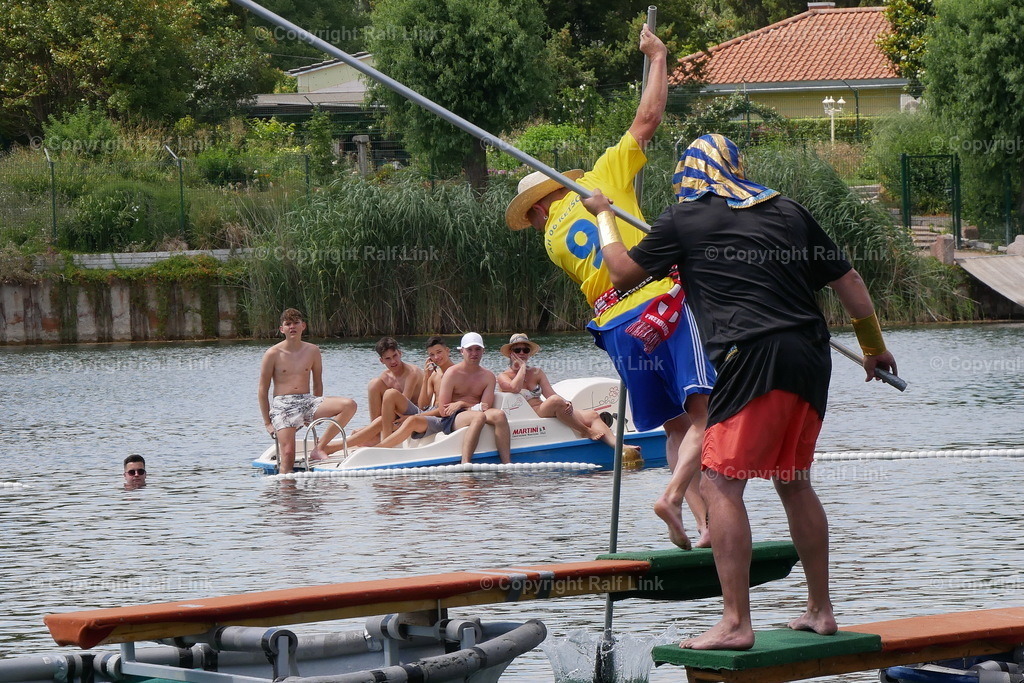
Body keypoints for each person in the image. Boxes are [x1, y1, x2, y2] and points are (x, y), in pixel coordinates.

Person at [580, 133, 898, 650]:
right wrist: (873, 346)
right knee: (794, 481)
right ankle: (821, 610)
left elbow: (619, 272)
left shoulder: (684, 216)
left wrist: (603, 213)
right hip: (810, 357)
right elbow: (851, 283)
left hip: (751, 356)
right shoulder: (789, 210)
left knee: (721, 483)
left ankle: (735, 622)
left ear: (689, 175)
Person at [504, 23, 714, 550]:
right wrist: (658, 56)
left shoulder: (551, 242)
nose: (530, 225)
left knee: (670, 428)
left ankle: (702, 524)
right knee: (704, 415)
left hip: (617, 325)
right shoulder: (601, 180)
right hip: (659, 303)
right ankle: (690, 506)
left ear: (537, 209)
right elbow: (649, 118)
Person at [496, 333, 638, 458]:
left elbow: (550, 393)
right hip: (527, 415)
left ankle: (619, 447)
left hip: (544, 408)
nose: (522, 353)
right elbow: (514, 388)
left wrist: (566, 402)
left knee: (592, 415)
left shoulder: (537, 372)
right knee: (556, 401)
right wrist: (521, 368)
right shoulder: (503, 376)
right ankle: (585, 431)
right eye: (517, 350)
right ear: (511, 353)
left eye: (525, 350)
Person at [258, 308, 357, 474]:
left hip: (308, 401)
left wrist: (313, 415)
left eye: (296, 323)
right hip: (283, 405)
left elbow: (318, 383)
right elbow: (262, 390)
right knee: (288, 454)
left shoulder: (313, 350)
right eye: (288, 324)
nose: (292, 327)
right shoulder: (272, 354)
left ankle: (319, 447)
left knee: (349, 405)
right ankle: (286, 494)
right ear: (281, 329)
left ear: (303, 326)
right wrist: (267, 423)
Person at [437, 332, 512, 464]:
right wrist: (464, 407)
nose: (474, 353)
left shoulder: (488, 376)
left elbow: (485, 406)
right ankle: (465, 463)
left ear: (483, 351)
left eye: (478, 349)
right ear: (461, 351)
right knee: (479, 417)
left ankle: (507, 463)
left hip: (474, 410)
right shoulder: (451, 373)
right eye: (469, 349)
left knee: (499, 415)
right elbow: (443, 411)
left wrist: (461, 403)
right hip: (454, 417)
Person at [367, 337, 424, 423]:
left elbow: (402, 405)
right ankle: (375, 429)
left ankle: (376, 428)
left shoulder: (412, 373)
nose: (393, 361)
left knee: (391, 394)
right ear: (381, 360)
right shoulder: (385, 377)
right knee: (374, 384)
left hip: (416, 414)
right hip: (395, 415)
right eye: (388, 358)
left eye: (395, 356)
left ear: (400, 353)